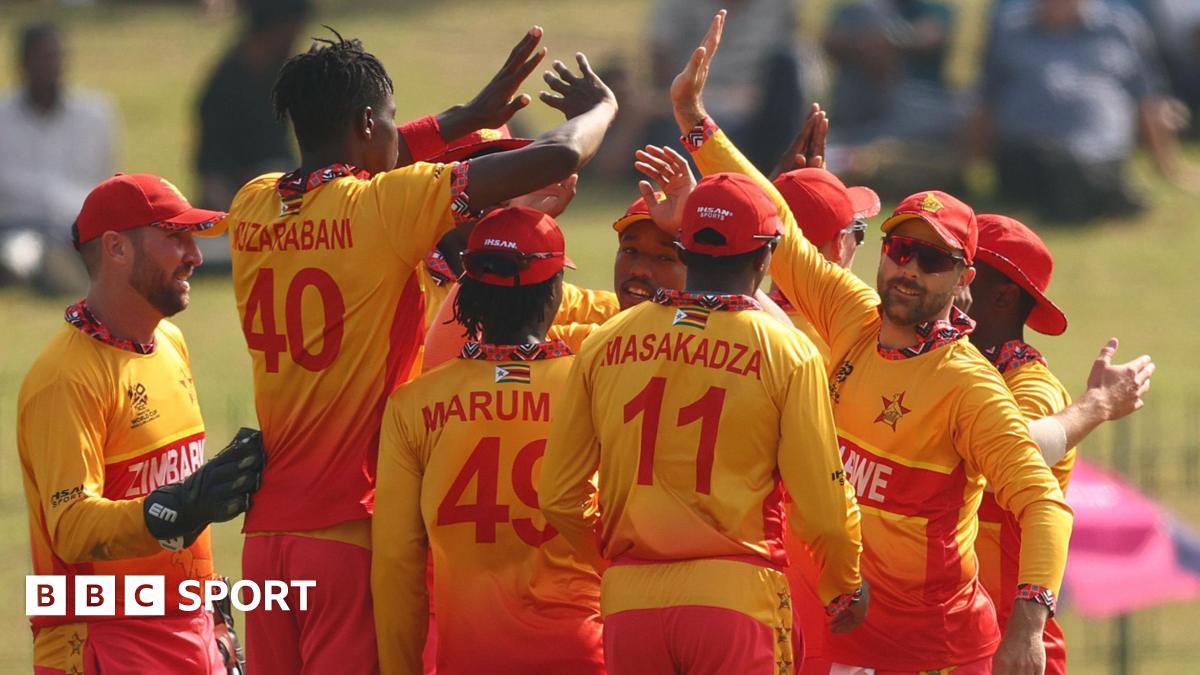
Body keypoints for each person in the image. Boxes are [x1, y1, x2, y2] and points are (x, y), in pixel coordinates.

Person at [675, 11, 1073, 672]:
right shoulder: (852, 314)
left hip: (931, 651)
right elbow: (779, 226)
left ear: (964, 279)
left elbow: (1044, 504)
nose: (909, 269)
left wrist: (1029, 626)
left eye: (933, 259)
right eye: (899, 249)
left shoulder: (968, 387)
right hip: (834, 633)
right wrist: (694, 119)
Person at [222, 27, 618, 674]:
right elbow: (559, 156)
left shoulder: (253, 202)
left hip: (266, 538)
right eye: (390, 116)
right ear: (365, 123)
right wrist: (603, 108)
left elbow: (375, 156)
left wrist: (465, 117)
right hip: (347, 527)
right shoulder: (383, 208)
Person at [541, 171, 866, 675]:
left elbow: (559, 495)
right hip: (736, 597)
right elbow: (822, 507)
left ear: (683, 250)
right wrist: (844, 583)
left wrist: (617, 563)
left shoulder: (607, 340)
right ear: (765, 257)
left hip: (629, 604)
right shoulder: (786, 351)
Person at [16, 173, 265, 675]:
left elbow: (175, 491)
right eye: (176, 237)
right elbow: (70, 527)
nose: (195, 256)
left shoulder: (170, 343)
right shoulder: (65, 379)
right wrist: (175, 507)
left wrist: (215, 620)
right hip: (104, 643)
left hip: (189, 635)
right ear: (116, 248)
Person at [374, 207, 603, 675]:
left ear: (470, 291)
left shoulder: (413, 403)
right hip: (585, 652)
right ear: (556, 290)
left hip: (471, 656)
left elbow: (397, 563)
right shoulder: (595, 384)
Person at [966, 213, 1155, 675]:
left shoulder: (1032, 385)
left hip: (1008, 644)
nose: (943, 279)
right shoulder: (945, 368)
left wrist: (1096, 405)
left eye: (960, 269)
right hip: (959, 632)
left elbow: (1010, 454)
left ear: (1002, 296)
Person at [972, 0, 1200, 222]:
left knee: (1080, 170)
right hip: (1025, 154)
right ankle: (1099, 194)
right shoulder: (1008, 29)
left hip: (1098, 153)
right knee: (1058, 173)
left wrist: (1168, 168)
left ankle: (1085, 190)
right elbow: (985, 102)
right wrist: (967, 169)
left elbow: (1148, 100)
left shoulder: (1121, 27)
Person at [0, 22, 116, 293]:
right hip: (17, 226)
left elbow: (106, 180)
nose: (48, 66)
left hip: (77, 228)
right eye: (40, 58)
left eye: (53, 57)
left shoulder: (95, 114)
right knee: (19, 251)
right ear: (22, 63)